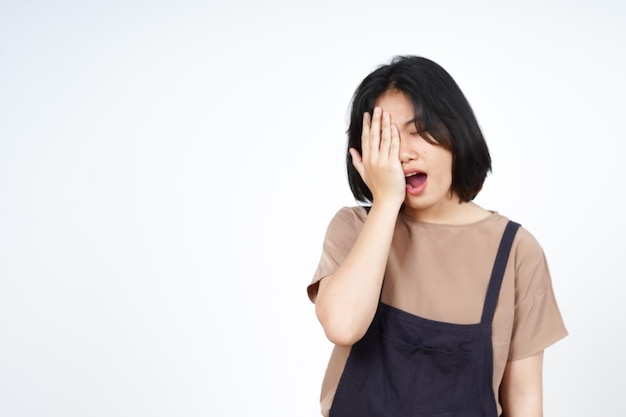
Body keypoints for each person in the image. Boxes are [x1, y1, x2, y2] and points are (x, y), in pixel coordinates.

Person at [306, 55, 568, 417]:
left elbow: (524, 400)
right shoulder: (353, 227)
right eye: (387, 140)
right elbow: (343, 325)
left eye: (417, 131)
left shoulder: (516, 251)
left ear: (456, 134)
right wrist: (385, 203)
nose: (405, 154)